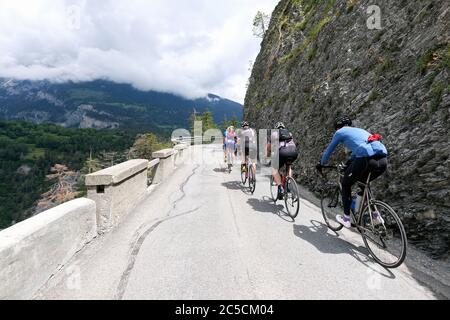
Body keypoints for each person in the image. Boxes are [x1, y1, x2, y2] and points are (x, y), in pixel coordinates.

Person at [316, 115, 388, 228]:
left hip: (366, 160)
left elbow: (329, 150)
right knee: (363, 184)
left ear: (337, 128)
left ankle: (346, 218)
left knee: (345, 184)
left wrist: (321, 163)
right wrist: (348, 164)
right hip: (383, 160)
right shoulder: (360, 131)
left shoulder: (340, 132)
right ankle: (375, 216)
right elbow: (358, 151)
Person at [267, 122, 298, 200]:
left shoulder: (274, 134)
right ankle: (288, 183)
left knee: (274, 169)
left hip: (283, 152)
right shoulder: (289, 133)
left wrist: (268, 154)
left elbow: (269, 148)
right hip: (294, 152)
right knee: (289, 166)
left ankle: (280, 187)